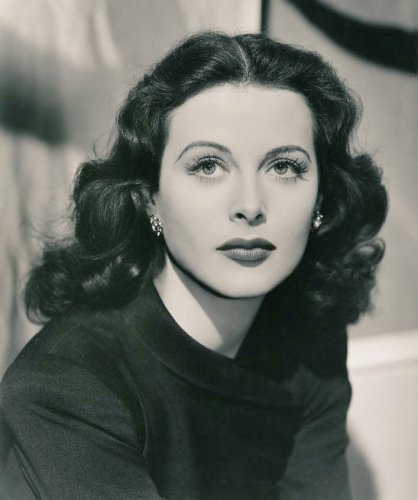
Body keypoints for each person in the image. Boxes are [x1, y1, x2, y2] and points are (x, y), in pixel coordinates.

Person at [0, 31, 388, 500]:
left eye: (284, 167)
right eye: (208, 166)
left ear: (322, 200)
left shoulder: (309, 337)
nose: (250, 206)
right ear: (149, 199)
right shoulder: (65, 383)